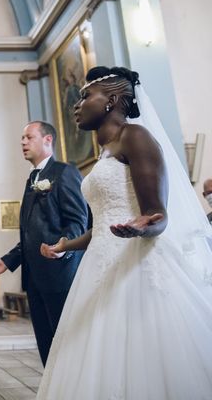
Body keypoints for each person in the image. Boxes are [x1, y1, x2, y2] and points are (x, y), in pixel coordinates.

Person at [37, 66, 212, 399]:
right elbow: (105, 223)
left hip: (137, 267)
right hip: (102, 267)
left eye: (86, 96)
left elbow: (156, 216)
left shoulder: (136, 137)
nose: (78, 104)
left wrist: (143, 227)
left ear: (112, 100)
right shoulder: (105, 152)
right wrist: (68, 244)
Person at [0, 121, 89, 365]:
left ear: (48, 140)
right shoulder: (33, 178)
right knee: (47, 344)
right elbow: (31, 233)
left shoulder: (65, 172)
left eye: (28, 137)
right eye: (22, 138)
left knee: (67, 344)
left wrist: (63, 249)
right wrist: (8, 262)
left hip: (60, 274)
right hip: (35, 278)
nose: (22, 142)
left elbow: (77, 221)